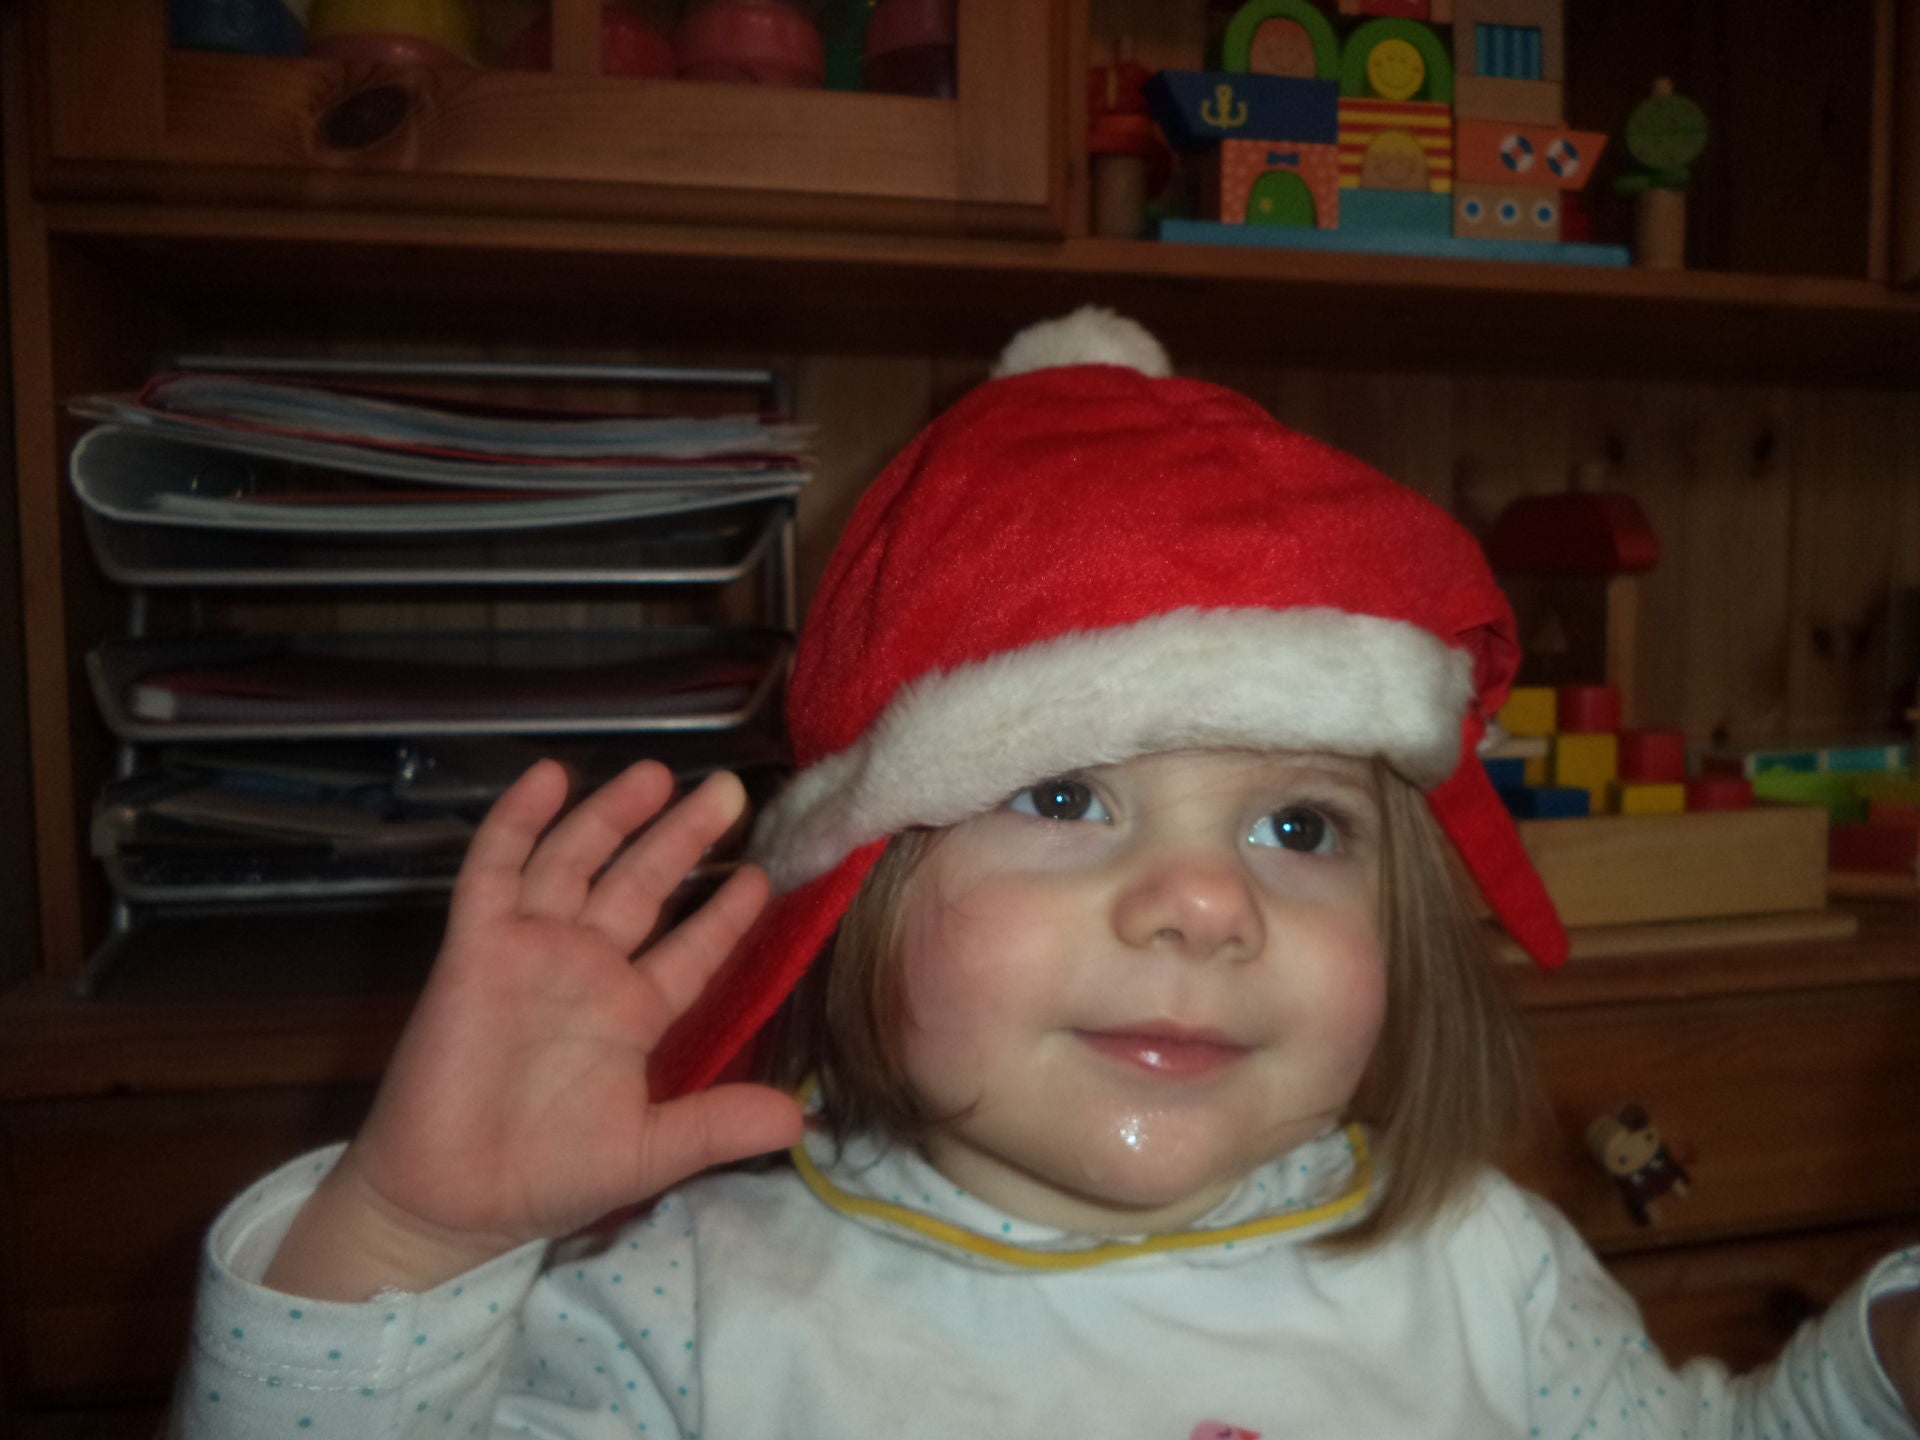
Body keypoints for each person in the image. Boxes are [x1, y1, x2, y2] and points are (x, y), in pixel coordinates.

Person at [170, 309, 1920, 1439]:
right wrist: (405, 1239)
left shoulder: (1482, 1266)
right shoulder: (689, 1317)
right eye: (1068, 795)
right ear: (858, 888)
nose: (1208, 904)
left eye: (1299, 828)